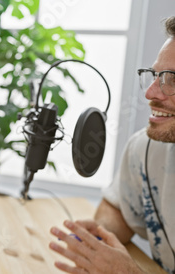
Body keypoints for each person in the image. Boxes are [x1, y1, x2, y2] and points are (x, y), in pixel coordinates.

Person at [49, 16, 175, 273]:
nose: (150, 93)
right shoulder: (146, 149)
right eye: (155, 75)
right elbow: (118, 206)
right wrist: (101, 237)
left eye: (172, 79)